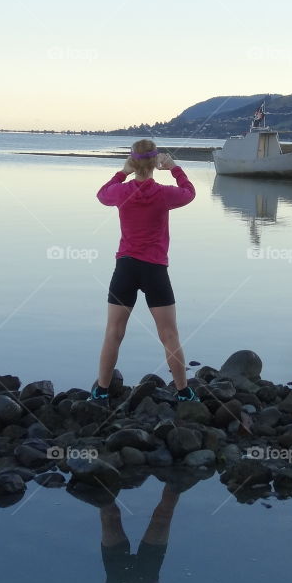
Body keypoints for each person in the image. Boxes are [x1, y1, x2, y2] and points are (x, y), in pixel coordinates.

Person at [93, 139, 199, 402]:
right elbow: (189, 192)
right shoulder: (164, 194)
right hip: (155, 269)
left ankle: (101, 391)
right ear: (155, 163)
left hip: (126, 267)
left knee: (113, 332)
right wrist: (174, 168)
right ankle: (183, 391)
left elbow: (102, 193)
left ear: (133, 161)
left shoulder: (121, 191)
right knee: (169, 334)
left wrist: (122, 172)